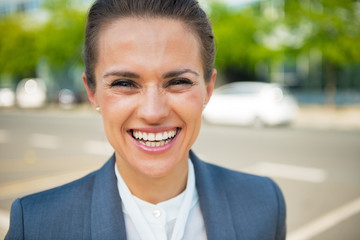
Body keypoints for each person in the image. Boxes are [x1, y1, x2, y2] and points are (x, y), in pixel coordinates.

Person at [5, 0, 286, 239]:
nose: (153, 112)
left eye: (178, 81)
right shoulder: (35, 224)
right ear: (92, 92)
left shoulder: (264, 203)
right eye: (125, 83)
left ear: (208, 90)